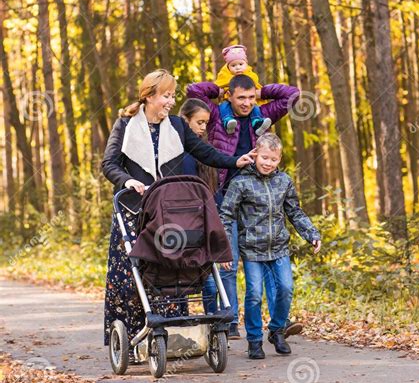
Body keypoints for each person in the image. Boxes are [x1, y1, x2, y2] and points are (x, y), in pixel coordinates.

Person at [101, 69, 255, 351]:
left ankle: (170, 336)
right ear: (149, 96)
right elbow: (109, 164)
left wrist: (236, 162)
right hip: (133, 211)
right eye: (166, 95)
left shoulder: (176, 126)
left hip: (168, 211)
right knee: (131, 275)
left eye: (173, 95)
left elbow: (205, 152)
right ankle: (132, 338)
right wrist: (129, 180)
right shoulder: (125, 125)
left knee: (170, 271)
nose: (171, 101)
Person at [187, 73, 302, 339]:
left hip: (259, 199)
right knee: (229, 258)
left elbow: (292, 94)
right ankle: (229, 321)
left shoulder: (262, 113)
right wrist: (220, 87)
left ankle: (278, 323)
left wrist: (263, 89)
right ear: (230, 95)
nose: (247, 102)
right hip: (225, 194)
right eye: (241, 97)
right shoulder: (216, 115)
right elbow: (194, 91)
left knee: (270, 259)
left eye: (251, 97)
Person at [219, 133, 322, 360]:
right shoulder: (240, 182)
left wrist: (311, 234)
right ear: (255, 154)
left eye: (273, 159)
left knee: (285, 288)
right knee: (254, 294)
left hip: (278, 248)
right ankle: (254, 340)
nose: (268, 163)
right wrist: (225, 246)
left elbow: (294, 211)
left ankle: (277, 330)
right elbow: (226, 215)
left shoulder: (283, 181)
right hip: (252, 249)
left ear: (279, 159)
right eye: (264, 157)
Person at [178, 97, 220, 314]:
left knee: (209, 277)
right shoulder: (176, 151)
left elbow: (215, 190)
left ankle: (213, 321)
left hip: (205, 219)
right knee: (179, 276)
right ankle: (181, 319)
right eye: (199, 122)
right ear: (184, 120)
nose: (203, 128)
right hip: (180, 220)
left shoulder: (205, 150)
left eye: (206, 123)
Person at [215, 44, 271, 136]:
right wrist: (220, 91)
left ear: (246, 64)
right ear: (228, 67)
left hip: (250, 105)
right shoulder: (225, 75)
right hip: (228, 100)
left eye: (241, 64)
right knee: (224, 106)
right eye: (233, 65)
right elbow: (218, 84)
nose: (237, 67)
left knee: (255, 107)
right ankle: (228, 122)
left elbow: (255, 81)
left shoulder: (250, 74)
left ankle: (257, 122)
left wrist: (261, 93)